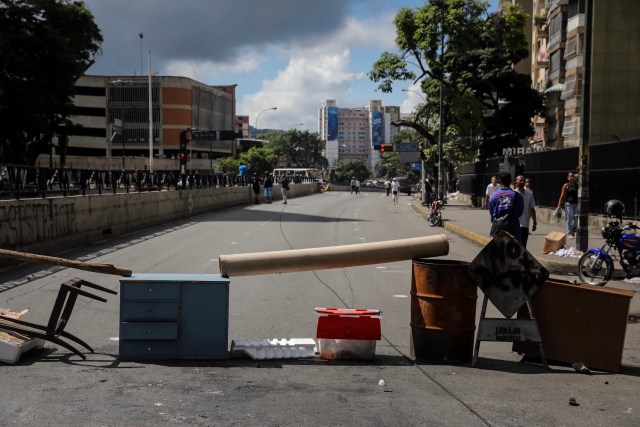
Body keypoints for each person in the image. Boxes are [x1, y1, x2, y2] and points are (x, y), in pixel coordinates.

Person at [488, 173, 524, 243]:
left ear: (500, 182)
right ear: (511, 181)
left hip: (499, 231)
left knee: (499, 251)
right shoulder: (518, 196)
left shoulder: (493, 196)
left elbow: (492, 214)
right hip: (514, 230)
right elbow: (520, 213)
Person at [515, 175, 537, 248]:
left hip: (525, 225)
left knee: (523, 247)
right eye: (520, 180)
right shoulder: (513, 194)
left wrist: (534, 222)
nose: (522, 182)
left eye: (523, 180)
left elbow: (532, 209)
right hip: (515, 225)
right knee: (515, 246)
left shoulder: (529, 194)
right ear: (516, 182)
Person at [555, 171, 579, 238]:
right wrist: (559, 205)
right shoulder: (566, 185)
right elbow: (562, 196)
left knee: (576, 217)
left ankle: (572, 229)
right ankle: (569, 233)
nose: (572, 178)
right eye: (570, 176)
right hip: (568, 204)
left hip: (576, 204)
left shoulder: (578, 185)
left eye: (573, 176)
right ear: (568, 178)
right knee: (570, 218)